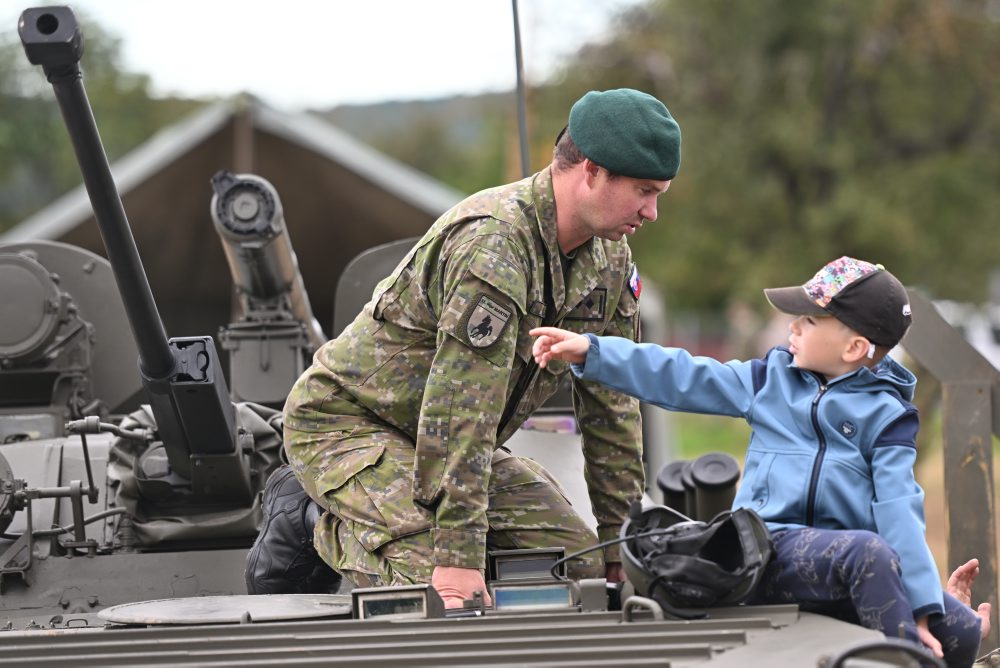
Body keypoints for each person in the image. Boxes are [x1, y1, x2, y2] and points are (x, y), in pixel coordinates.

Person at [244, 88, 682, 608]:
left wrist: (619, 539)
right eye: (644, 191)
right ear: (590, 171)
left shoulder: (609, 258)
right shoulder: (495, 244)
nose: (652, 212)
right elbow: (460, 410)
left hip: (441, 444)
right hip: (348, 427)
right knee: (432, 586)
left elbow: (612, 404)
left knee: (580, 566)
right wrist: (457, 558)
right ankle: (315, 514)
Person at [530, 257, 987, 666]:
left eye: (808, 321)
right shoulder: (771, 381)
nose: (792, 329)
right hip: (769, 552)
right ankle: (905, 661)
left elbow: (899, 509)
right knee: (870, 557)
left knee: (961, 630)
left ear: (853, 348)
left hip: (842, 569)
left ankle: (935, 625)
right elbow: (684, 375)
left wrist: (927, 604)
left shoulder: (888, 418)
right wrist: (596, 351)